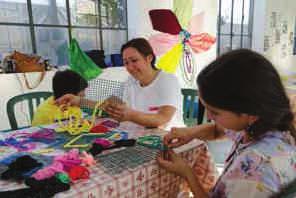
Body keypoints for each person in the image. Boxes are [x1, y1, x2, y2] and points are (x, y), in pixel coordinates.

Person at [157, 49, 296, 197]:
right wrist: (190, 132)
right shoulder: (269, 127)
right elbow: (218, 130)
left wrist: (187, 173)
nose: (209, 116)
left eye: (215, 112)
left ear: (249, 114)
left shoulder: (254, 170)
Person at [56, 38, 184, 130]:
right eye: (126, 62)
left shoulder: (167, 80)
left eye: (134, 60)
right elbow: (109, 105)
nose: (130, 67)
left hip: (168, 137)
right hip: (140, 136)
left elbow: (162, 119)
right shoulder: (131, 81)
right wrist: (79, 101)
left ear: (149, 58)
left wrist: (130, 115)